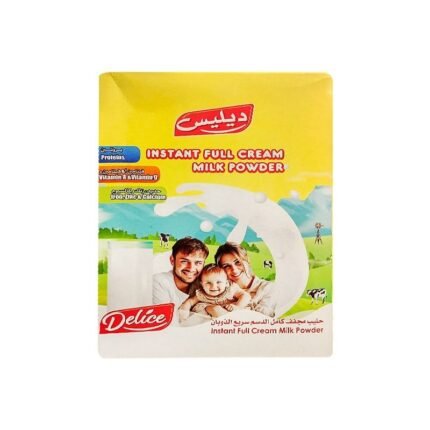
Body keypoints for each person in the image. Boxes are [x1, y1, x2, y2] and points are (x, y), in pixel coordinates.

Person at [214, 242, 276, 317]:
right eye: (227, 266)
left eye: (238, 262)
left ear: (247, 260)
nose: (234, 270)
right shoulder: (218, 290)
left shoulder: (267, 287)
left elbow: (263, 317)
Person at [178, 264, 251, 322]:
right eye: (208, 283)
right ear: (202, 284)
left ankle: (229, 322)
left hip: (229, 311)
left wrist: (237, 307)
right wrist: (184, 310)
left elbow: (245, 295)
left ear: (226, 283)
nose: (213, 287)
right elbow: (190, 302)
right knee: (210, 310)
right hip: (210, 313)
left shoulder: (230, 289)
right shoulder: (201, 294)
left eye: (218, 282)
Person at [152, 237, 209, 310]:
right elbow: (163, 315)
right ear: (172, 260)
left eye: (198, 263)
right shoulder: (159, 282)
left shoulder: (205, 282)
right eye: (184, 261)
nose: (191, 268)